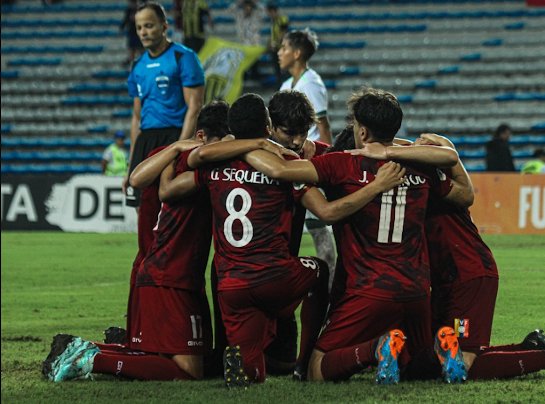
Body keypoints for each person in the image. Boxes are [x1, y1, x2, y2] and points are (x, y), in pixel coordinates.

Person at [160, 93, 406, 386]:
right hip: (278, 274)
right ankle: (301, 363)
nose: (296, 141)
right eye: (289, 133)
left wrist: (174, 151)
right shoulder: (289, 165)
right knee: (319, 274)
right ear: (269, 128)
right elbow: (326, 210)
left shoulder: (219, 158)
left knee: (260, 364)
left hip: (238, 277)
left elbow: (180, 176)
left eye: (304, 133)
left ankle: (241, 358)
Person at [235, 88, 477, 385]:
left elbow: (283, 169)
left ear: (361, 131)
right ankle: (440, 352)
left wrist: (246, 144)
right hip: (416, 292)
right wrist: (393, 150)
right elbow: (463, 190)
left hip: (369, 291)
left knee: (317, 369)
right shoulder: (420, 166)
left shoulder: (342, 164)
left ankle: (375, 349)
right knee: (414, 366)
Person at [42, 102, 232, 383]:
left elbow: (136, 179)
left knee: (188, 359)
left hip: (163, 271)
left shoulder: (164, 156)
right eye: (224, 142)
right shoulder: (197, 160)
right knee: (189, 373)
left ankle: (89, 348)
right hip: (169, 275)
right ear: (202, 137)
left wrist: (178, 146)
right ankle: (93, 358)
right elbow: (137, 180)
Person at [418, 133, 545, 381]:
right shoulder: (443, 181)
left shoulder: (429, 183)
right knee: (431, 360)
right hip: (450, 277)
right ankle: (530, 347)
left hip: (468, 276)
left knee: (459, 364)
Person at [124, 1, 205, 211]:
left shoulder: (183, 57)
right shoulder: (137, 66)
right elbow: (136, 117)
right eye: (139, 28)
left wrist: (179, 147)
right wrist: (131, 164)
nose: (143, 32)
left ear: (164, 26)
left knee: (173, 209)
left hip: (174, 136)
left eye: (149, 26)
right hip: (146, 140)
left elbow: (195, 107)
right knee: (142, 208)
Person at [278, 29, 336, 295]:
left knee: (318, 228)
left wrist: (327, 168)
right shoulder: (287, 85)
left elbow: (322, 126)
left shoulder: (310, 83)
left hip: (309, 163)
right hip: (289, 163)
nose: (279, 52)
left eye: (284, 48)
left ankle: (331, 283)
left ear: (297, 53)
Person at [228, 0, 265, 80]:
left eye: (249, 8)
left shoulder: (256, 18)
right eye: (246, 8)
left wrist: (255, 2)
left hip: (253, 44)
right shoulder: (239, 17)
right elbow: (230, 10)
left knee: (254, 65)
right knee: (242, 66)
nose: (248, 10)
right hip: (242, 45)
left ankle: (254, 79)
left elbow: (263, 10)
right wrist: (240, 2)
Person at [266, 3, 289, 86]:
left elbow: (283, 33)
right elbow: (273, 34)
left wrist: (275, 43)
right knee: (277, 70)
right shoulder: (273, 22)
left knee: (286, 69)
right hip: (275, 49)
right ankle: (280, 87)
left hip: (282, 48)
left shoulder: (282, 19)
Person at [120, 0, 144, 65]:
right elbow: (125, 20)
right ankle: (132, 64)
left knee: (141, 49)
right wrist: (121, 28)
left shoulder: (141, 10)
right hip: (132, 32)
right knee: (131, 49)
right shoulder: (129, 11)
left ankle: (143, 63)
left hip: (140, 33)